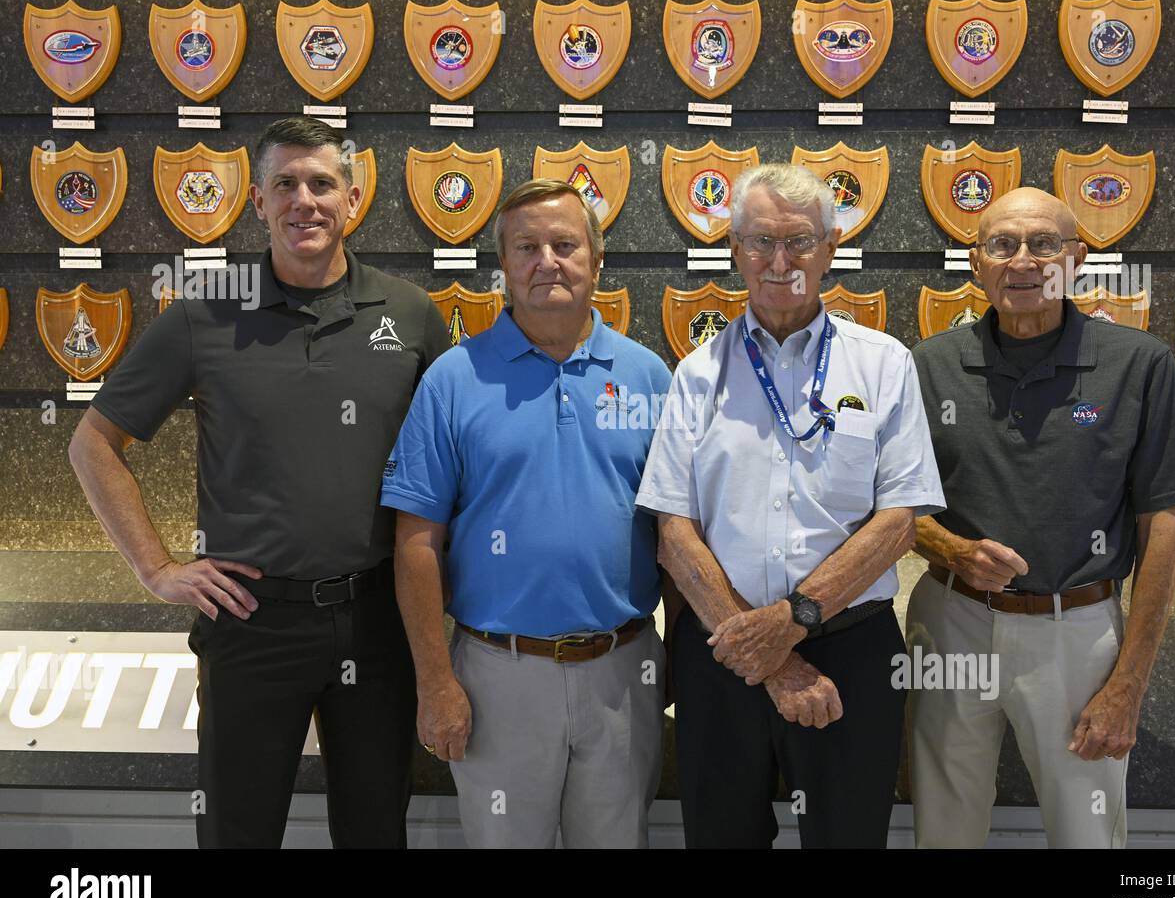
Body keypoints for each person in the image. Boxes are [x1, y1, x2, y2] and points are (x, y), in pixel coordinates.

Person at [67, 116, 450, 847]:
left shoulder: (410, 315)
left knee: (376, 831)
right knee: (237, 833)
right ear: (257, 201)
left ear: (354, 198)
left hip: (376, 621)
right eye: (285, 184)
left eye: (321, 183)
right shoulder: (202, 315)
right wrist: (156, 568)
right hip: (249, 621)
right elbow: (94, 443)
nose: (304, 200)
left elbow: (451, 466)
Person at [636, 164, 946, 848]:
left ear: (832, 247)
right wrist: (770, 655)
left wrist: (794, 620)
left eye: (799, 241)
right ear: (735, 252)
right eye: (760, 242)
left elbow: (898, 524)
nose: (780, 262)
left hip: (850, 652)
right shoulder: (696, 375)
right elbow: (674, 536)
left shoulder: (884, 364)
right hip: (722, 654)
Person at [907, 187, 1175, 848]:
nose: (1023, 261)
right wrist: (951, 550)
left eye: (1043, 244)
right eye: (1002, 244)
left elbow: (1164, 525)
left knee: (1089, 835)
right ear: (975, 263)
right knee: (943, 827)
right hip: (950, 622)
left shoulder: (1139, 365)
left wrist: (1129, 682)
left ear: (1076, 259)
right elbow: (894, 509)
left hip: (1076, 633)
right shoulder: (927, 366)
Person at [380, 178, 672, 848]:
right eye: (526, 247)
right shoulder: (453, 380)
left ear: (597, 262)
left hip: (623, 672)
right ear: (504, 268)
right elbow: (417, 542)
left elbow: (675, 533)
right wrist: (436, 683)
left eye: (565, 244)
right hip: (496, 677)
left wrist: (676, 660)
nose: (547, 261)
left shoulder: (648, 376)